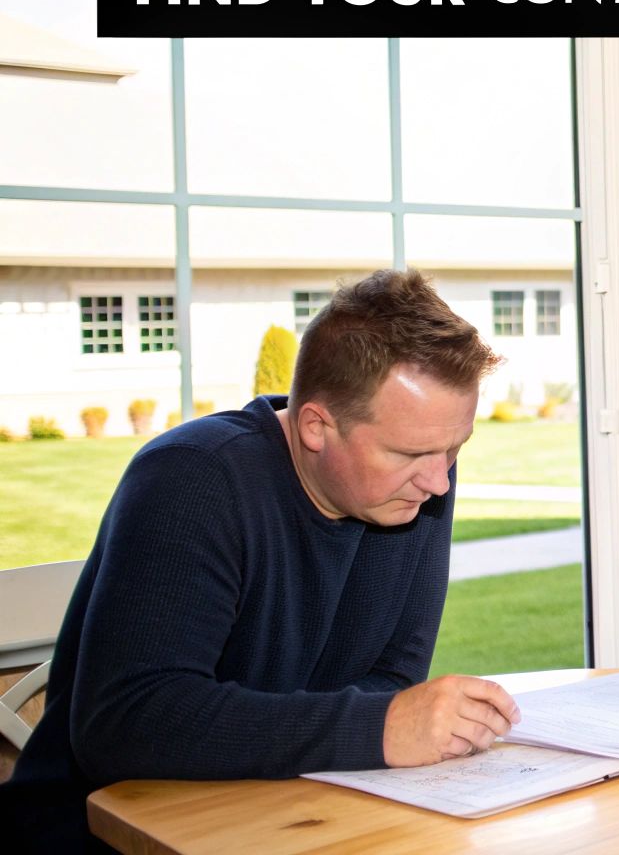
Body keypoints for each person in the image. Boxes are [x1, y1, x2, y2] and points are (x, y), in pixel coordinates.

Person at [1, 269, 522, 851]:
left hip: (283, 818)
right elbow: (126, 723)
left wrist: (383, 720)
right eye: (412, 452)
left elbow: (392, 680)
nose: (440, 481)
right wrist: (375, 727)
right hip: (100, 836)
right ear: (316, 426)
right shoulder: (192, 480)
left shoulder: (409, 489)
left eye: (454, 448)